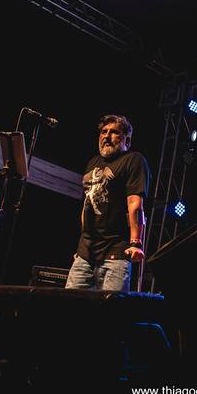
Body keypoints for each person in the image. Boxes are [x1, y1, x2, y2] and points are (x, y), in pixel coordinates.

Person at [65, 114, 150, 292]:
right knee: (70, 303)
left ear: (127, 139)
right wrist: (81, 246)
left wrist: (135, 243)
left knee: (109, 308)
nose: (107, 136)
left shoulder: (133, 160)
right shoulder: (92, 162)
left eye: (114, 132)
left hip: (115, 254)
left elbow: (135, 204)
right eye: (104, 132)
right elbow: (86, 205)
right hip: (85, 254)